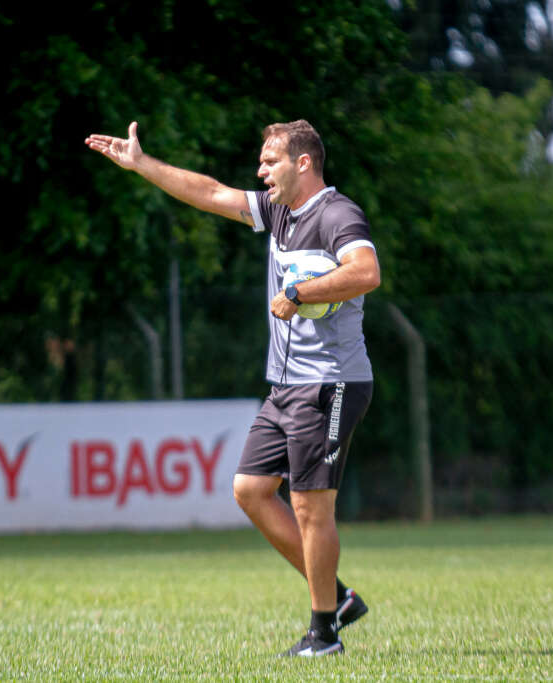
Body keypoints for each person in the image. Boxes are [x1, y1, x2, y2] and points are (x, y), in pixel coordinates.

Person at [86, 119, 379, 656]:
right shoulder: (277, 212)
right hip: (286, 384)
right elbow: (211, 193)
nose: (260, 171)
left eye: (270, 162)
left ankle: (323, 635)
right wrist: (142, 164)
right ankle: (335, 597)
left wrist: (302, 291)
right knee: (250, 489)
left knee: (312, 506)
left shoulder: (337, 214)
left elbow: (366, 272)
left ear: (303, 163)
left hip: (331, 383)